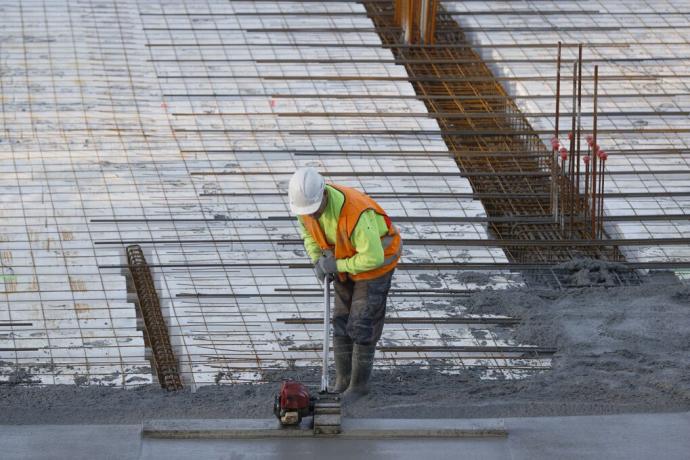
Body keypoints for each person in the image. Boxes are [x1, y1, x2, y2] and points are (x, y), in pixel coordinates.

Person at [288, 167, 402, 397]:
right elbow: (309, 234)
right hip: (344, 259)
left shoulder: (356, 214)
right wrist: (317, 260)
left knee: (362, 321)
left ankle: (359, 387)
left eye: (314, 210)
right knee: (341, 318)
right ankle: (343, 381)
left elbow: (373, 257)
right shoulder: (304, 206)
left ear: (323, 196)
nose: (310, 215)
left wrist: (337, 266)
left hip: (375, 265)